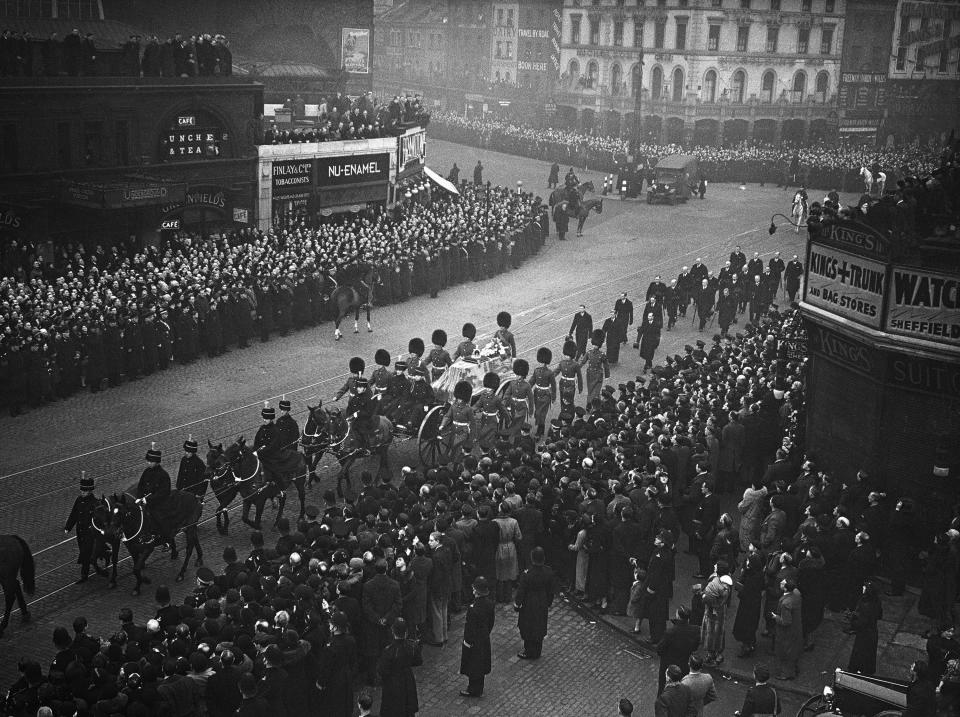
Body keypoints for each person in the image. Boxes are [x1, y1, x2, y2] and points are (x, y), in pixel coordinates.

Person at [64, 472, 106, 583]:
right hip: (80, 531)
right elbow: (74, 514)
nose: (82, 493)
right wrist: (68, 527)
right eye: (81, 491)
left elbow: (99, 520)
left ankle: (84, 575)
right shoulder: (79, 500)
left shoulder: (95, 503)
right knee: (85, 551)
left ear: (90, 491)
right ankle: (95, 566)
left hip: (90, 533)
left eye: (84, 491)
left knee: (85, 553)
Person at [514, 547, 555, 659]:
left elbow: (521, 591)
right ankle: (537, 651)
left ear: (532, 559)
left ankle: (528, 651)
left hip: (529, 603)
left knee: (528, 626)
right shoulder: (548, 571)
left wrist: (517, 604)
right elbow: (551, 590)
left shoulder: (527, 574)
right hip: (542, 602)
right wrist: (549, 602)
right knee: (539, 625)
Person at [460, 576, 495, 697]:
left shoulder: (473, 609)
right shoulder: (490, 604)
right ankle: (479, 687)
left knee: (473, 665)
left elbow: (469, 629)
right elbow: (491, 622)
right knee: (481, 664)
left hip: (474, 642)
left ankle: (473, 689)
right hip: (484, 638)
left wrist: (467, 642)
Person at [377, 618, 419, 717]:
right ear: (406, 632)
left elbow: (382, 670)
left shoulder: (388, 651)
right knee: (408, 706)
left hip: (392, 682)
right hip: (407, 679)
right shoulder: (412, 646)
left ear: (392, 631)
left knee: (392, 708)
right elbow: (418, 661)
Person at [655, 606, 701, 695]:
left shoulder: (670, 632)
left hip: (668, 665)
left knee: (664, 689)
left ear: (678, 617)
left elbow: (659, 649)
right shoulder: (695, 630)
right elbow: (695, 647)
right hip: (683, 664)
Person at [847, 580, 882, 675]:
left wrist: (852, 619)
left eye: (865, 587)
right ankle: (867, 670)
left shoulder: (866, 604)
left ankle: (859, 670)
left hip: (864, 634)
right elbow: (879, 615)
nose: (863, 588)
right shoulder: (876, 601)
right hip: (872, 632)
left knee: (861, 653)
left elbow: (861, 623)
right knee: (869, 654)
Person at [772, 576, 803, 680]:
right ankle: (793, 668)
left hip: (786, 632)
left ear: (785, 588)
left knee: (785, 652)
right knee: (793, 650)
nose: (781, 582)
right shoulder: (796, 593)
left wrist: (776, 617)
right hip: (796, 627)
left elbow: (785, 621)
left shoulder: (786, 603)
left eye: (783, 583)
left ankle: (786, 673)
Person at [554, 339, 583, 421]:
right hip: (562, 384)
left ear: (572, 355)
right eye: (565, 355)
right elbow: (556, 371)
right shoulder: (562, 363)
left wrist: (580, 388)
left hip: (570, 386)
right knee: (562, 400)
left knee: (569, 401)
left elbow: (579, 377)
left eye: (568, 355)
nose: (566, 357)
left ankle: (569, 415)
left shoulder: (576, 365)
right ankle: (563, 413)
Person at [531, 347, 556, 438]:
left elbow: (553, 386)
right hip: (536, 394)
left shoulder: (550, 373)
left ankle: (540, 430)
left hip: (545, 395)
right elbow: (532, 381)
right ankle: (541, 427)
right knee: (537, 413)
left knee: (542, 413)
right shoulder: (536, 370)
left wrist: (553, 398)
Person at [583, 329, 610, 405]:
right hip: (592, 374)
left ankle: (592, 404)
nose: (595, 346)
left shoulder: (600, 354)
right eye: (594, 345)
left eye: (596, 345)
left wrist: (607, 375)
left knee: (595, 391)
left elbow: (606, 365)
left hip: (596, 374)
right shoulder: (590, 353)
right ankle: (591, 404)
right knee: (591, 390)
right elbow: (582, 361)